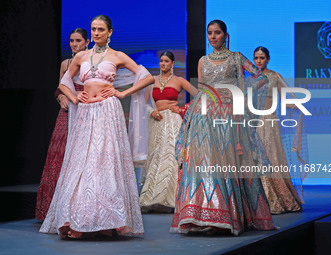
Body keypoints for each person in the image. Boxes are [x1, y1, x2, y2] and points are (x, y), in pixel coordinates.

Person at [39, 15, 154, 239]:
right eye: (93, 29)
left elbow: (146, 77)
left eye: (101, 29)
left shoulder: (117, 56)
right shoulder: (82, 56)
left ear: (110, 32)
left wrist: (122, 93)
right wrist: (74, 98)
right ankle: (79, 220)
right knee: (83, 163)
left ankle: (107, 221)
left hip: (107, 111)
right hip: (85, 113)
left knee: (104, 161)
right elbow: (64, 82)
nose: (96, 33)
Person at [170, 20, 275, 235]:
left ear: (225, 35)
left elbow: (261, 77)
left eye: (217, 33)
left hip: (228, 115)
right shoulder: (202, 60)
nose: (212, 37)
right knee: (204, 162)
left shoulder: (236, 57)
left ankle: (226, 214)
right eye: (209, 33)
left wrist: (241, 96)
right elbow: (202, 89)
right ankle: (200, 215)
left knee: (224, 162)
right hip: (204, 115)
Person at [35, 28, 89, 221]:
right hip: (67, 113)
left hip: (85, 110)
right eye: (72, 41)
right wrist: (61, 99)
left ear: (87, 42)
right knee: (60, 154)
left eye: (78, 41)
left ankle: (79, 207)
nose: (75, 45)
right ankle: (54, 208)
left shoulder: (90, 61)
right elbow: (59, 88)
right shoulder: (66, 63)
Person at [139, 51, 197, 212]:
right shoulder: (152, 81)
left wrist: (181, 108)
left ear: (172, 64)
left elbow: (199, 96)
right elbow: (143, 104)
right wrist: (152, 112)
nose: (163, 64)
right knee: (156, 156)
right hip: (157, 121)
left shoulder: (178, 81)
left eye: (166, 61)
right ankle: (152, 198)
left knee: (171, 156)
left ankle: (172, 199)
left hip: (173, 121)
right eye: (161, 61)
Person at [252, 46, 302, 214]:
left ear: (268, 59)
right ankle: (256, 201)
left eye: (262, 58)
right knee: (254, 159)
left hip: (269, 122)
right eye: (256, 58)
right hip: (253, 122)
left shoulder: (274, 77)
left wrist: (297, 106)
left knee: (272, 157)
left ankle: (276, 198)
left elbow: (284, 99)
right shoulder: (250, 78)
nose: (259, 61)